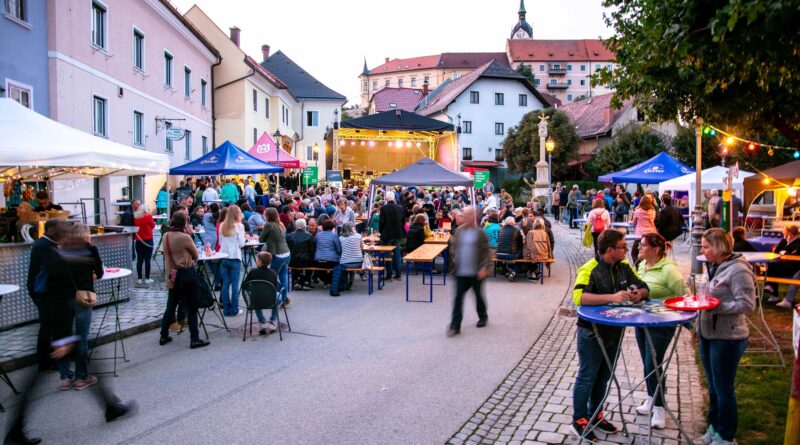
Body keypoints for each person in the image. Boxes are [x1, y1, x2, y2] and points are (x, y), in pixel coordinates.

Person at [7, 225, 135, 445]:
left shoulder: (61, 255)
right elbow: (55, 295)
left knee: (86, 362)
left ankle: (110, 406)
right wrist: (63, 337)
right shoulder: (59, 258)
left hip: (59, 323)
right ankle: (15, 430)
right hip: (58, 324)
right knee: (37, 381)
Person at [570, 229, 650, 442]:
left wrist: (637, 295)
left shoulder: (624, 267)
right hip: (591, 332)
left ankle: (596, 416)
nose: (627, 249)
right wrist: (611, 297)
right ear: (609, 250)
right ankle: (579, 420)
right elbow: (579, 297)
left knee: (604, 377)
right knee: (587, 377)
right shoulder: (590, 268)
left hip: (615, 331)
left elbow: (644, 287)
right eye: (623, 246)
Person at [696, 228, 755, 445]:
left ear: (719, 247)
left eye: (705, 246)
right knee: (712, 385)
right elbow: (706, 296)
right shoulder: (712, 265)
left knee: (723, 387)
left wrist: (716, 307)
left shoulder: (738, 270)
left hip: (728, 337)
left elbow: (747, 305)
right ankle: (714, 427)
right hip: (707, 333)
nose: (702, 250)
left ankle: (726, 436)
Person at [633, 232, 688, 429]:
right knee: (648, 366)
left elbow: (685, 295)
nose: (639, 248)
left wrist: (690, 324)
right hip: (642, 322)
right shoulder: (642, 265)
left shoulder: (669, 270)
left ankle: (659, 409)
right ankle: (651, 398)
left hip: (662, 324)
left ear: (656, 249)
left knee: (652, 365)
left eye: (643, 245)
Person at [55, 223, 103, 390]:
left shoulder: (62, 250)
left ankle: (66, 377)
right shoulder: (90, 249)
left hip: (63, 298)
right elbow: (100, 272)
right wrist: (91, 274)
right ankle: (81, 377)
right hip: (83, 296)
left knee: (64, 337)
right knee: (81, 337)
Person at [159, 211, 209, 349]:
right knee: (192, 307)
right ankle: (195, 338)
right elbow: (195, 255)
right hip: (186, 274)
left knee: (170, 306)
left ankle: (163, 334)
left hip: (172, 275)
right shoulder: (185, 237)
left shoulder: (166, 236)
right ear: (185, 223)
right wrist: (190, 234)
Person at [446, 207, 490, 337]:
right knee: (458, 298)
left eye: (468, 214)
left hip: (476, 272)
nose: (465, 217)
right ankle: (455, 326)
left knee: (478, 296)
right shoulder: (459, 231)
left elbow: (487, 252)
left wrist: (484, 267)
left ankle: (483, 316)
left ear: (474, 216)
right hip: (461, 271)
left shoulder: (480, 233)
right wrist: (455, 258)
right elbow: (453, 246)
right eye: (464, 214)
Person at [26, 219, 63, 371]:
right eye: (61, 230)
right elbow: (57, 268)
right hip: (42, 291)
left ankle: (54, 357)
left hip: (46, 290)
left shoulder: (47, 244)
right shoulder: (45, 246)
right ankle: (45, 362)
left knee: (53, 324)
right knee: (47, 326)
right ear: (52, 230)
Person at [217, 205, 246, 317]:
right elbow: (241, 244)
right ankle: (234, 309)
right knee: (235, 285)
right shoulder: (239, 226)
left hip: (224, 256)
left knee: (225, 284)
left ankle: (226, 309)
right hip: (234, 257)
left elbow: (220, 243)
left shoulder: (222, 225)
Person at [241, 251, 280, 335]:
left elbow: (244, 286)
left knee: (255, 297)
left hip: (255, 300)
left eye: (257, 259)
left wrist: (251, 290)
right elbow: (275, 288)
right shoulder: (273, 273)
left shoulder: (252, 272)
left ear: (259, 262)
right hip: (271, 300)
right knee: (278, 297)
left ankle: (262, 321)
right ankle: (273, 320)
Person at [260, 208, 292, 306]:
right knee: (283, 277)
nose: (263, 216)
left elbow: (261, 238)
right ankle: (284, 298)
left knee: (270, 277)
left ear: (268, 215)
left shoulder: (269, 225)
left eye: (265, 214)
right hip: (286, 253)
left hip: (277, 254)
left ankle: (282, 297)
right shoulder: (280, 224)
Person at [764, 225, 800, 304]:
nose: (782, 232)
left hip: (793, 267)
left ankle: (772, 289)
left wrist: (785, 254)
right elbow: (776, 252)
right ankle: (772, 291)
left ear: (789, 233)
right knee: (772, 264)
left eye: (784, 231)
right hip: (781, 264)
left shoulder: (798, 243)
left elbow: (795, 256)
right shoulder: (783, 241)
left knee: (773, 267)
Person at [379, 191, 406, 280]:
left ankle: (389, 274)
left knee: (387, 254)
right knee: (397, 254)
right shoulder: (400, 207)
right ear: (394, 198)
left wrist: (381, 232)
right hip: (397, 233)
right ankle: (398, 273)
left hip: (387, 234)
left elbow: (382, 222)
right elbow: (403, 221)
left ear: (386, 198)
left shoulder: (384, 208)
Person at [330, 222, 363, 296]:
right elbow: (362, 247)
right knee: (353, 260)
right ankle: (350, 283)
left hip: (345, 263)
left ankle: (344, 285)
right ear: (351, 228)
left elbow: (340, 250)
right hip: (358, 262)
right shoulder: (358, 236)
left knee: (341, 266)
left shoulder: (341, 238)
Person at [286, 219, 315, 290]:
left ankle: (296, 281)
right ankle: (306, 282)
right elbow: (312, 250)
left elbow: (287, 248)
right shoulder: (309, 236)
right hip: (306, 261)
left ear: (296, 226)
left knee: (296, 261)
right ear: (305, 226)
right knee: (311, 261)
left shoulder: (289, 236)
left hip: (292, 260)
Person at [631, 194, 657, 265]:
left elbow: (634, 222)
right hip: (651, 234)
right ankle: (647, 266)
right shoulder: (653, 211)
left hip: (640, 235)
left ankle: (639, 268)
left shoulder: (637, 211)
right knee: (649, 252)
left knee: (634, 253)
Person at [313, 218, 341, 285]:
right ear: (332, 227)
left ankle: (325, 280)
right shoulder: (334, 236)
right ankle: (329, 280)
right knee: (336, 263)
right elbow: (339, 250)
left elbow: (314, 247)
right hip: (332, 261)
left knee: (323, 265)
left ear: (323, 226)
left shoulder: (318, 235)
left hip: (318, 260)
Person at [496, 216, 524, 282]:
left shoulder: (500, 229)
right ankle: (513, 272)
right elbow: (521, 242)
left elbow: (499, 240)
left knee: (503, 260)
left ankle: (506, 273)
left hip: (499, 254)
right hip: (511, 254)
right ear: (513, 222)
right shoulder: (517, 230)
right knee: (521, 258)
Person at [134, 204, 156, 285]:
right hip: (148, 240)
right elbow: (153, 226)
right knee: (147, 259)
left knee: (139, 259)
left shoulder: (135, 217)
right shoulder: (148, 216)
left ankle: (139, 279)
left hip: (138, 240)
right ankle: (147, 278)